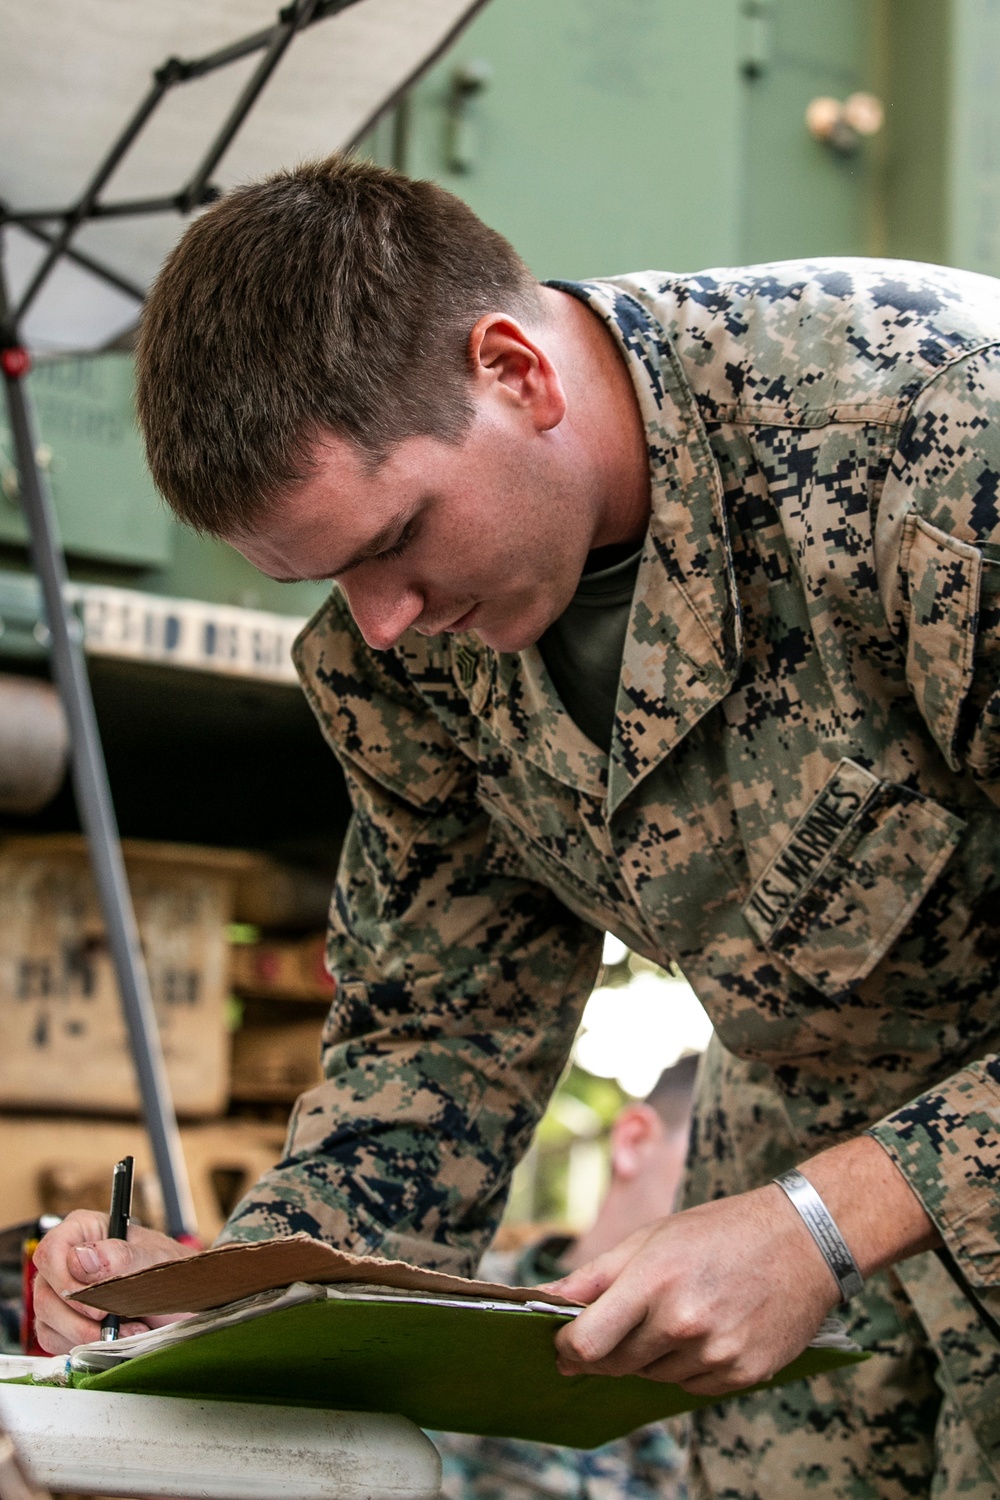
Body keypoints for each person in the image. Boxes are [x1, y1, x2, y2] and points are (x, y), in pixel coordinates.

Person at [30, 155, 1000, 1499]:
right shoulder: (400, 651)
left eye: (394, 539)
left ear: (517, 373)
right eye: (327, 583)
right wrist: (224, 1305)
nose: (379, 621)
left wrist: (827, 1221)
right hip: (796, 1191)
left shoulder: (940, 443)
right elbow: (440, 1034)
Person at [431, 1055, 697, 1500]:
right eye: (722, 1157)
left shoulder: (766, 1354)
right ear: (634, 1140)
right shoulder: (447, 1305)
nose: (751, 1212)